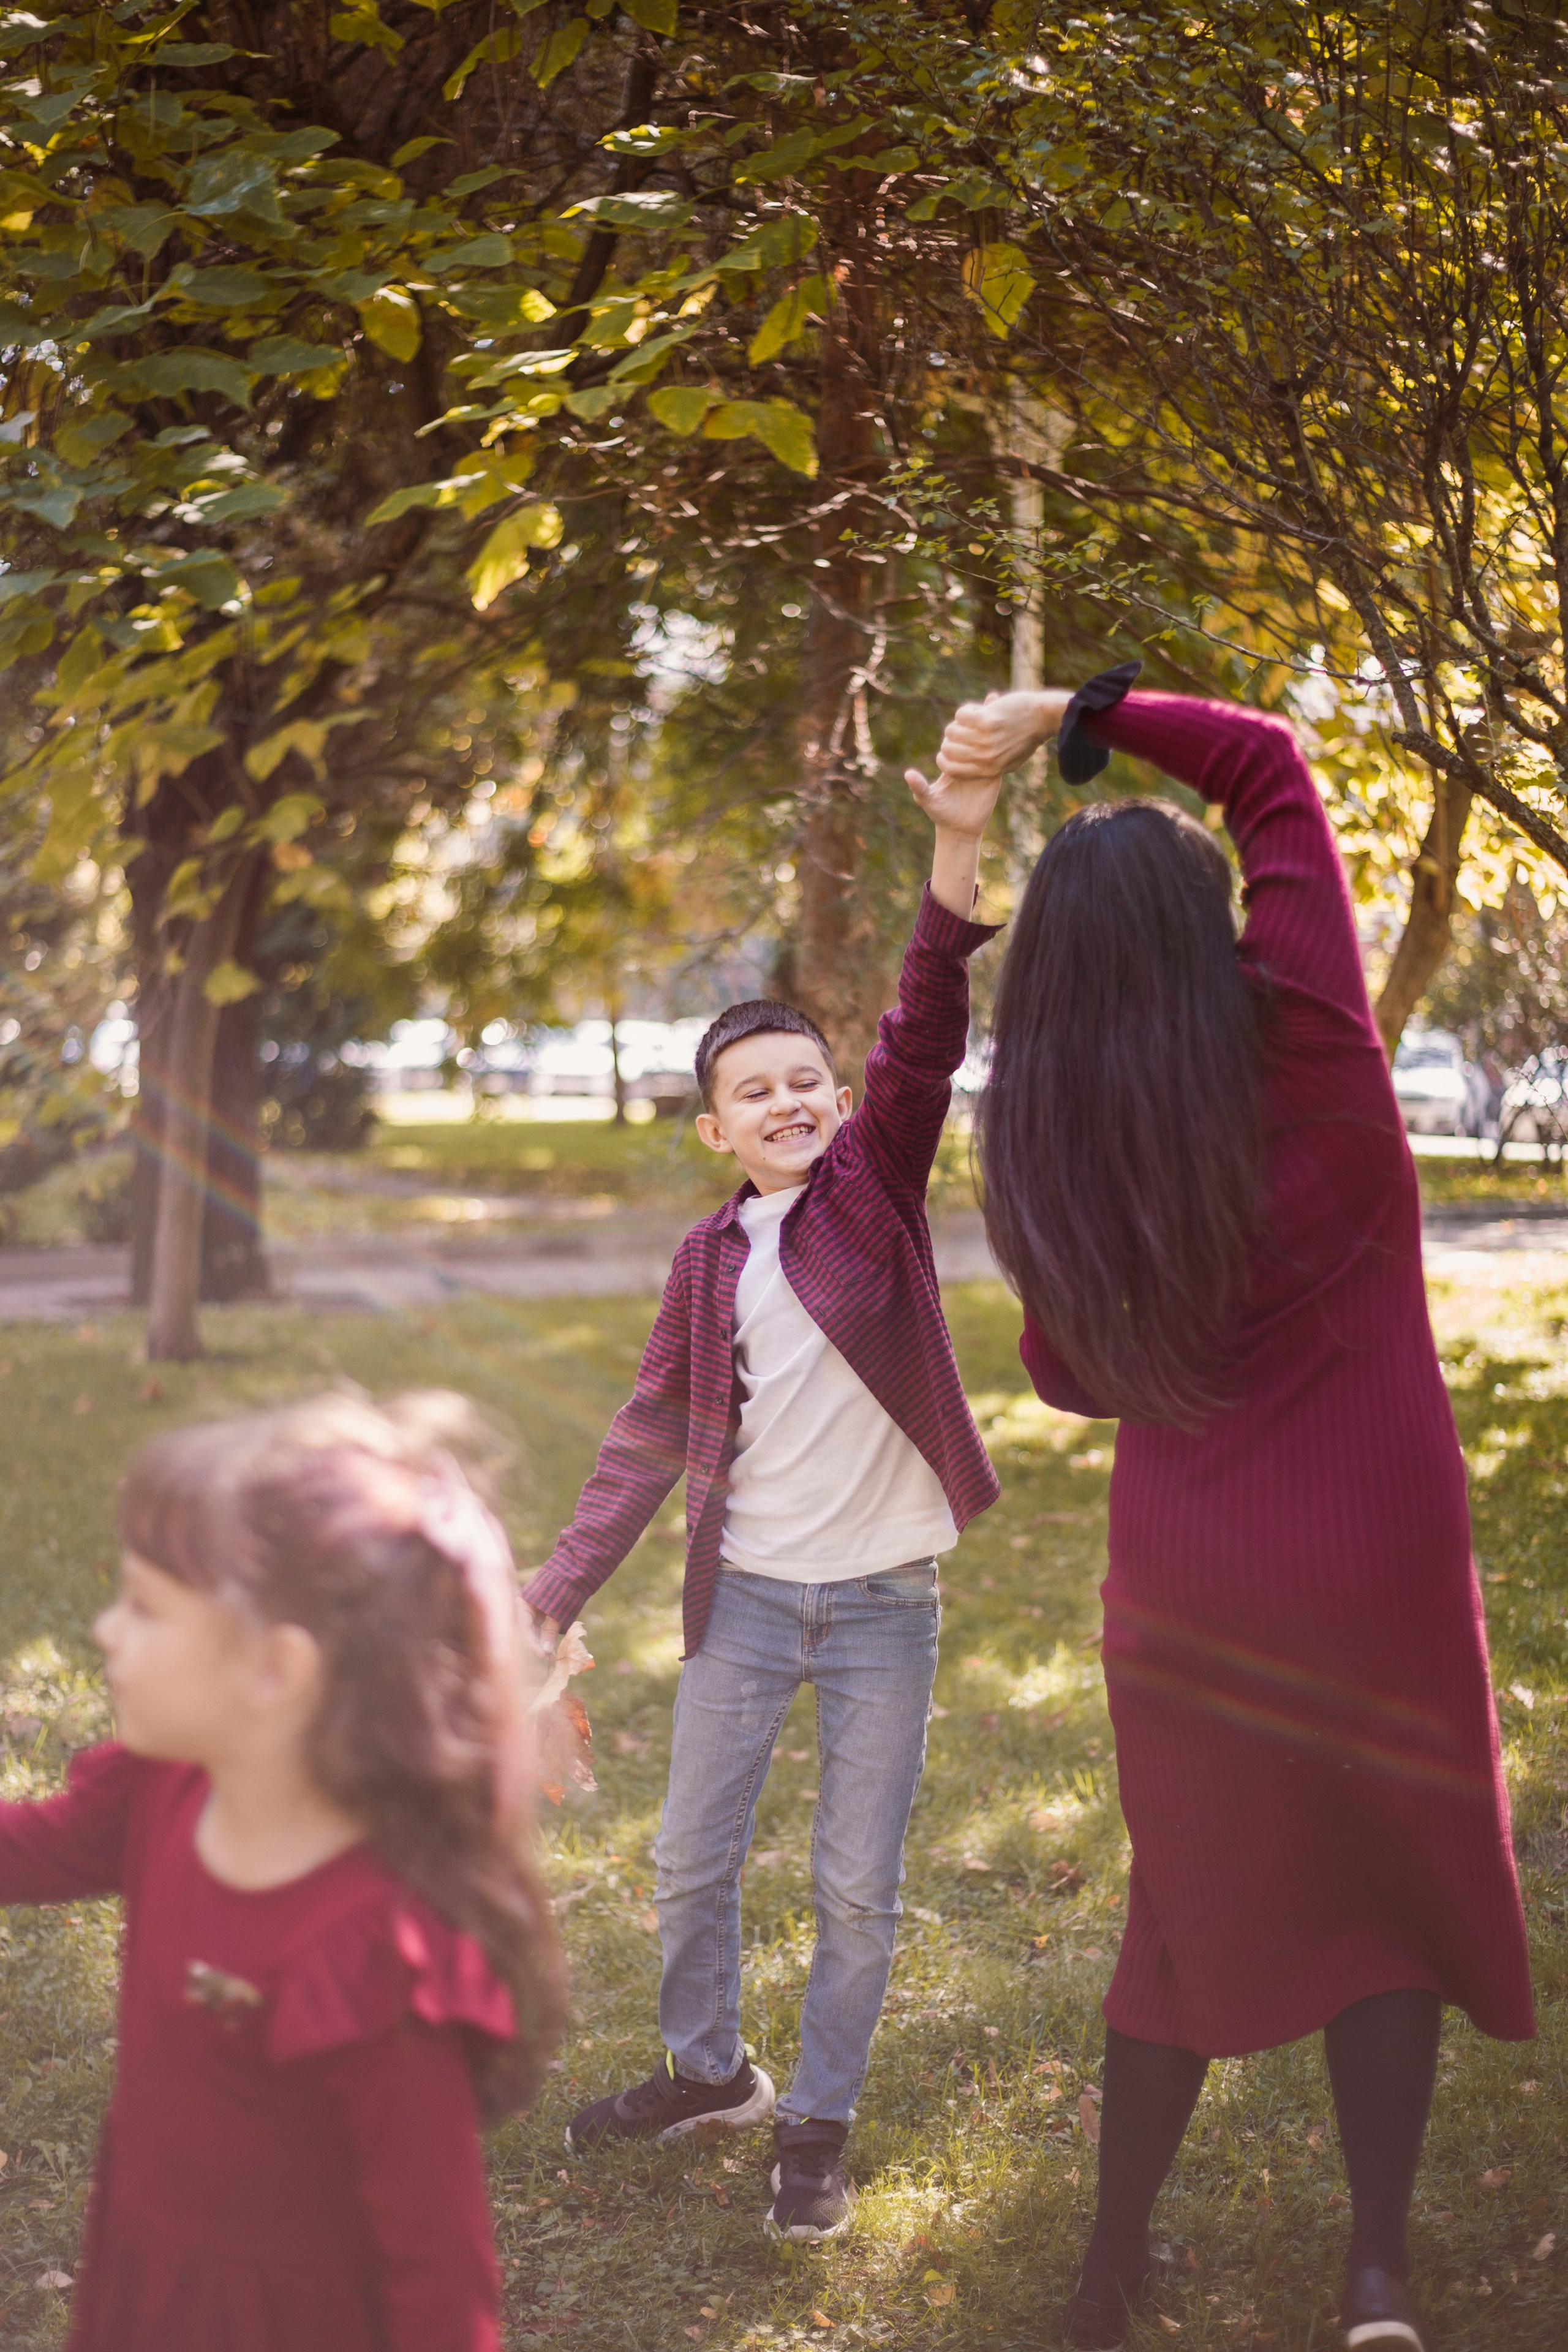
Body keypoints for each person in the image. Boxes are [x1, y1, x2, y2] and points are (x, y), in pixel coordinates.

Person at [938, 672, 1534, 2352]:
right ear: (1214, 936)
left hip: (1194, 1569)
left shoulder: (1054, 1141)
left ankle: (1107, 2274)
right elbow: (1269, 768)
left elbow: (1067, 1376)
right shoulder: (1321, 1046)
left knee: (1187, 1903)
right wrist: (1079, 708)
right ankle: (1374, 2278)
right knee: (1386, 1884)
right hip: (1378, 1541)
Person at [523, 744, 1008, 2242]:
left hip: (881, 1607)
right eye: (754, 1091)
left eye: (805, 1080)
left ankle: (816, 2123)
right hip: (743, 1601)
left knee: (855, 1885)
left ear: (837, 1103)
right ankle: (710, 2076)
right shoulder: (706, 1260)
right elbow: (644, 1437)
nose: (786, 1100)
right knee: (688, 1863)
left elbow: (922, 1024)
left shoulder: (873, 1191)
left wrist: (955, 845)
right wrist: (548, 1600)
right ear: (714, 1129)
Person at [0, 1390, 565, 2352]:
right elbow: (30, 1847)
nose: (105, 1630)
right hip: (145, 2283)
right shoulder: (170, 1788)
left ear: (275, 1671)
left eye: (144, 1607)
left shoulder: (374, 1956)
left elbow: (441, 2272)